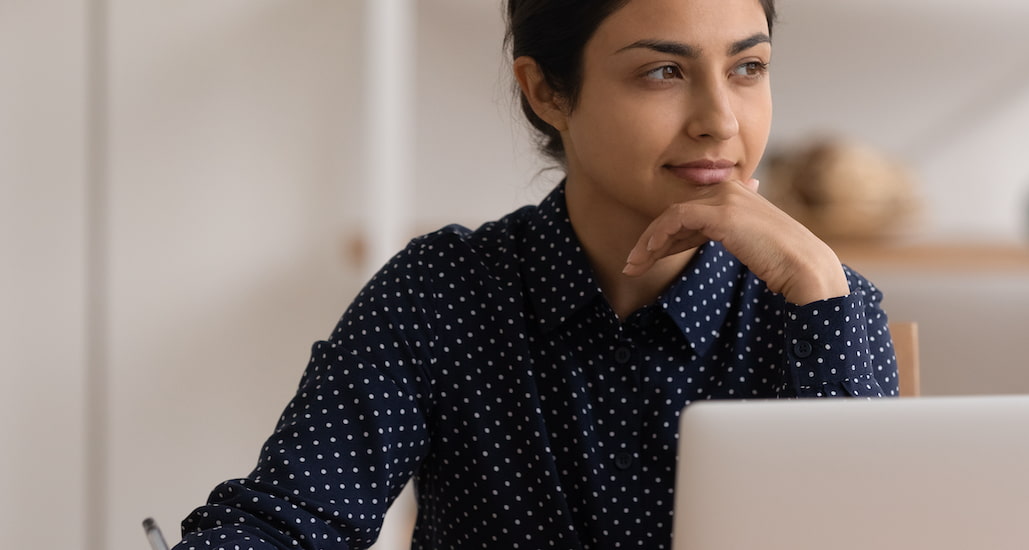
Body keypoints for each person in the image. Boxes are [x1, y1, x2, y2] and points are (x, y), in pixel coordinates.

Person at [174, 0, 898, 548]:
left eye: (748, 68)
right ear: (546, 91)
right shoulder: (442, 292)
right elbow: (290, 522)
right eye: (662, 71)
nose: (720, 121)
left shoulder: (821, 303)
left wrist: (820, 288)